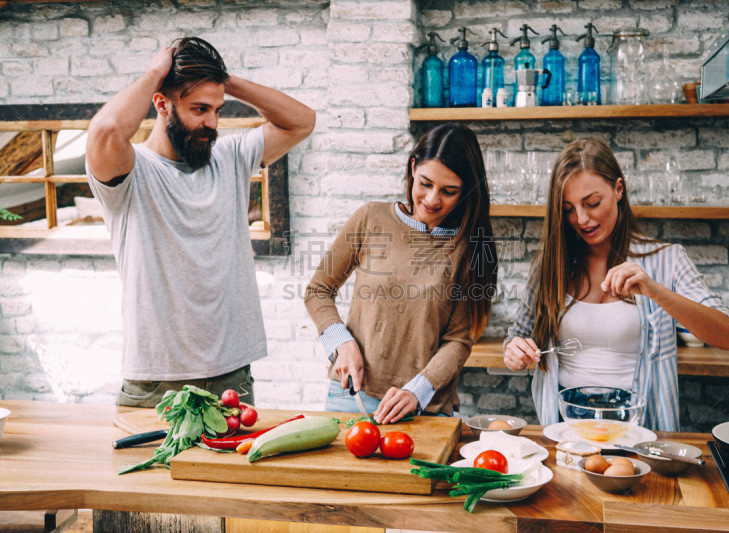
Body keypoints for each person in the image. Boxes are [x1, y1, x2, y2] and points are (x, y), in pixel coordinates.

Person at [86, 37, 315, 407]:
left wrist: (225, 80)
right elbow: (106, 130)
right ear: (161, 104)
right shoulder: (131, 170)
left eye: (217, 109)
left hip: (231, 375)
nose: (211, 122)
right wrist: (155, 74)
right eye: (199, 108)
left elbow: (302, 121)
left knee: (231, 467)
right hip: (156, 380)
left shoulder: (230, 157)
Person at [503, 138, 729, 431]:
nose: (582, 218)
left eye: (592, 203)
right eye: (568, 209)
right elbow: (519, 335)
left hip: (639, 430)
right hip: (564, 428)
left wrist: (655, 290)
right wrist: (515, 349)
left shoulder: (667, 259)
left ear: (618, 189)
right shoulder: (551, 266)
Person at [304, 124, 497, 424]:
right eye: (425, 183)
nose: (432, 199)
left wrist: (416, 392)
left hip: (424, 407)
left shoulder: (469, 245)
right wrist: (342, 343)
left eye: (449, 191)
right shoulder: (371, 218)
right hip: (351, 396)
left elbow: (459, 340)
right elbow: (318, 290)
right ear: (412, 167)